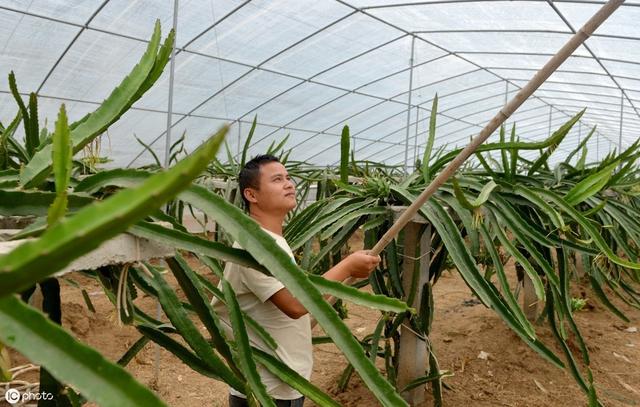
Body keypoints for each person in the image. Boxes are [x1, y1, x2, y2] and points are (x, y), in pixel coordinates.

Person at [212, 154, 380, 407]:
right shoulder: (255, 245)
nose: (289, 184)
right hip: (267, 389)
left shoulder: (272, 241)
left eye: (289, 178)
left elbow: (295, 305)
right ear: (252, 195)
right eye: (277, 179)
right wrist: (346, 267)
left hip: (277, 381)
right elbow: (295, 304)